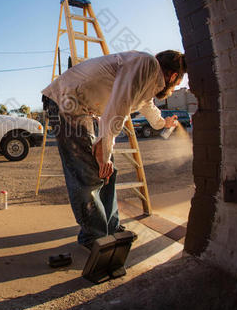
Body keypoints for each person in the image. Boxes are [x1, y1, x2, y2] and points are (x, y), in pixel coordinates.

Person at [41, 49, 186, 249]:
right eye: (177, 84)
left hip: (82, 107)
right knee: (88, 173)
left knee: (108, 171)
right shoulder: (147, 64)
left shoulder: (147, 78)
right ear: (173, 76)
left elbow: (147, 106)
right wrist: (104, 153)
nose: (174, 88)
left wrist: (163, 123)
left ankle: (110, 227)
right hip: (65, 100)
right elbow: (119, 107)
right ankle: (96, 237)